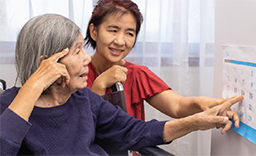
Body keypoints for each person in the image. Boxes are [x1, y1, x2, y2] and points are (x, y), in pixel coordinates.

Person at [0, 14, 243, 156]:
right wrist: (32, 87)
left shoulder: (85, 100)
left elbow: (135, 132)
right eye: (76, 51)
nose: (86, 58)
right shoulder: (7, 107)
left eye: (130, 32)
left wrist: (196, 122)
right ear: (47, 64)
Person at [85, 0, 240, 124]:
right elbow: (79, 127)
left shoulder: (138, 74)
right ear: (94, 31)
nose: (120, 41)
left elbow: (177, 105)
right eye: (113, 31)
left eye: (129, 33)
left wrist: (208, 105)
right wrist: (99, 85)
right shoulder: (77, 74)